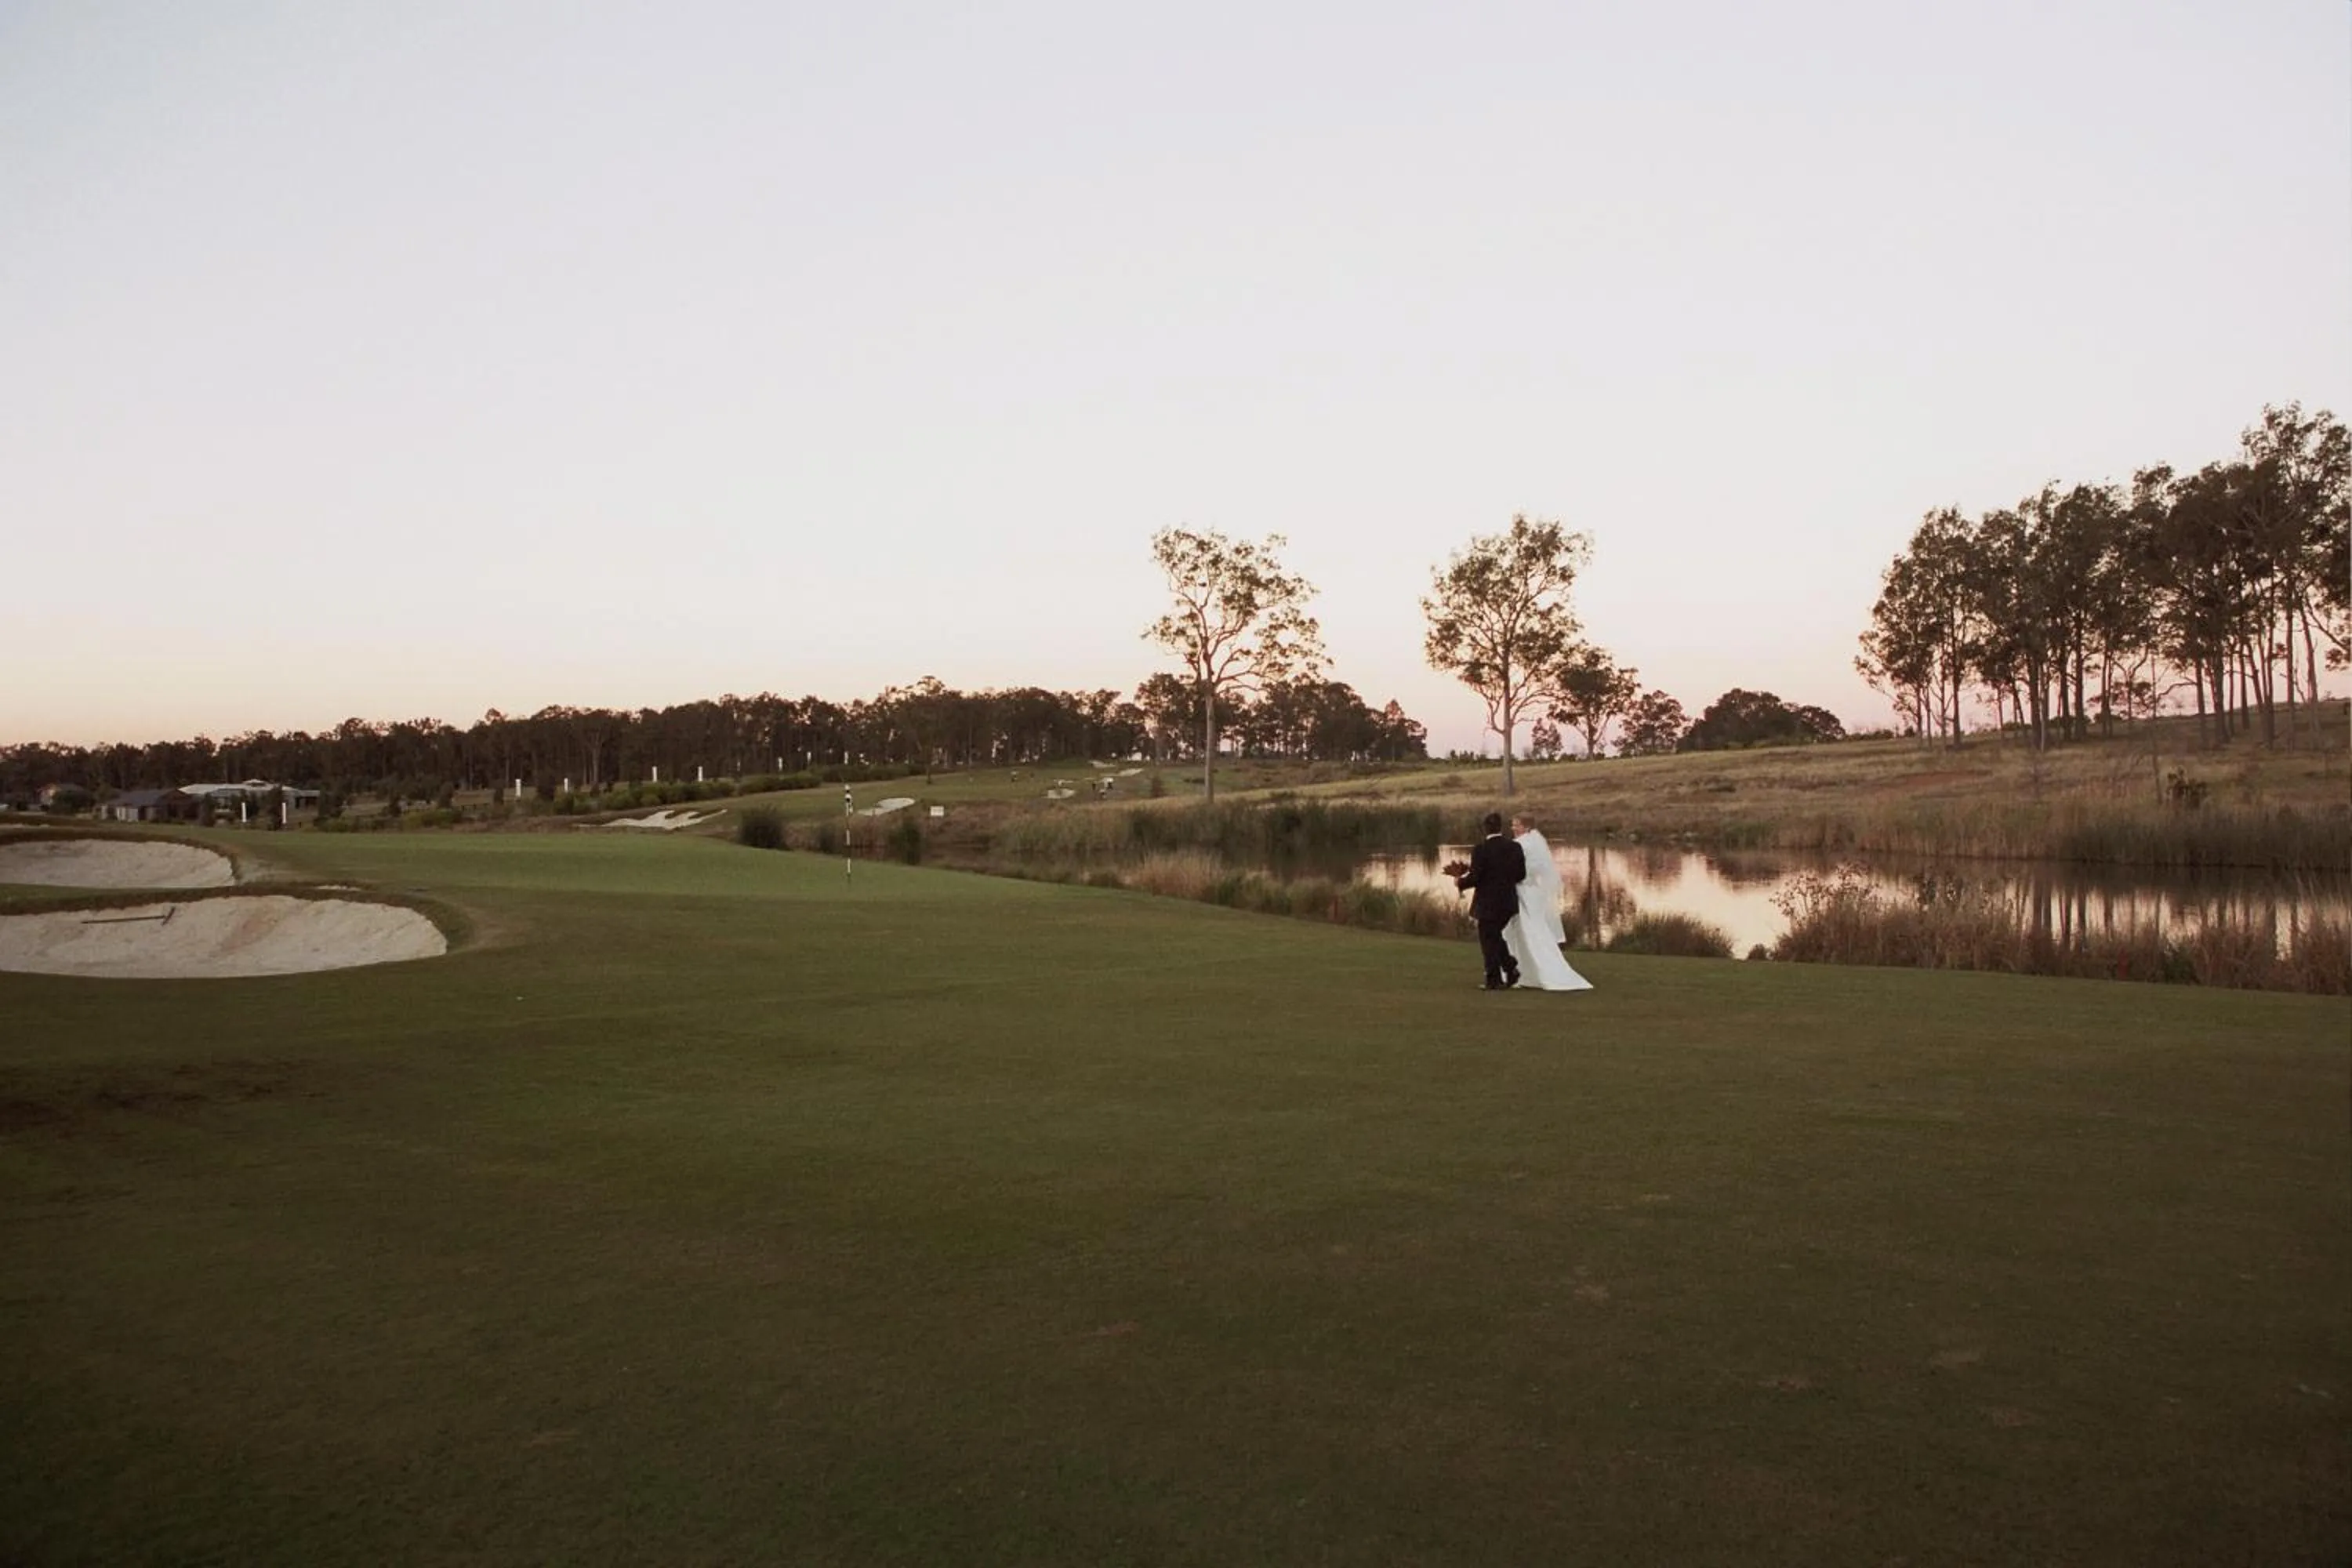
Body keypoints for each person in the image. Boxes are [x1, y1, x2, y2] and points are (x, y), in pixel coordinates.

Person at [1504, 814, 1593, 993]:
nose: (1513, 828)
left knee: (1531, 930)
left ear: (1527, 827)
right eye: (1513, 825)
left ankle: (1540, 970)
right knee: (1519, 931)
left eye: (1517, 825)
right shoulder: (1533, 842)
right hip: (1526, 892)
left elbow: (1527, 870)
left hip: (1525, 893)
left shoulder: (1525, 844)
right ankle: (1522, 971)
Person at [1450, 812, 1527, 990]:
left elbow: (1476, 877)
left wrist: (1459, 882)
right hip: (1508, 902)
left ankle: (1496, 978)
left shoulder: (1481, 849)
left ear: (1485, 828)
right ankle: (1509, 968)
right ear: (1501, 827)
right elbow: (1521, 875)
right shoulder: (1515, 848)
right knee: (1493, 936)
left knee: (1488, 938)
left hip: (1488, 903)